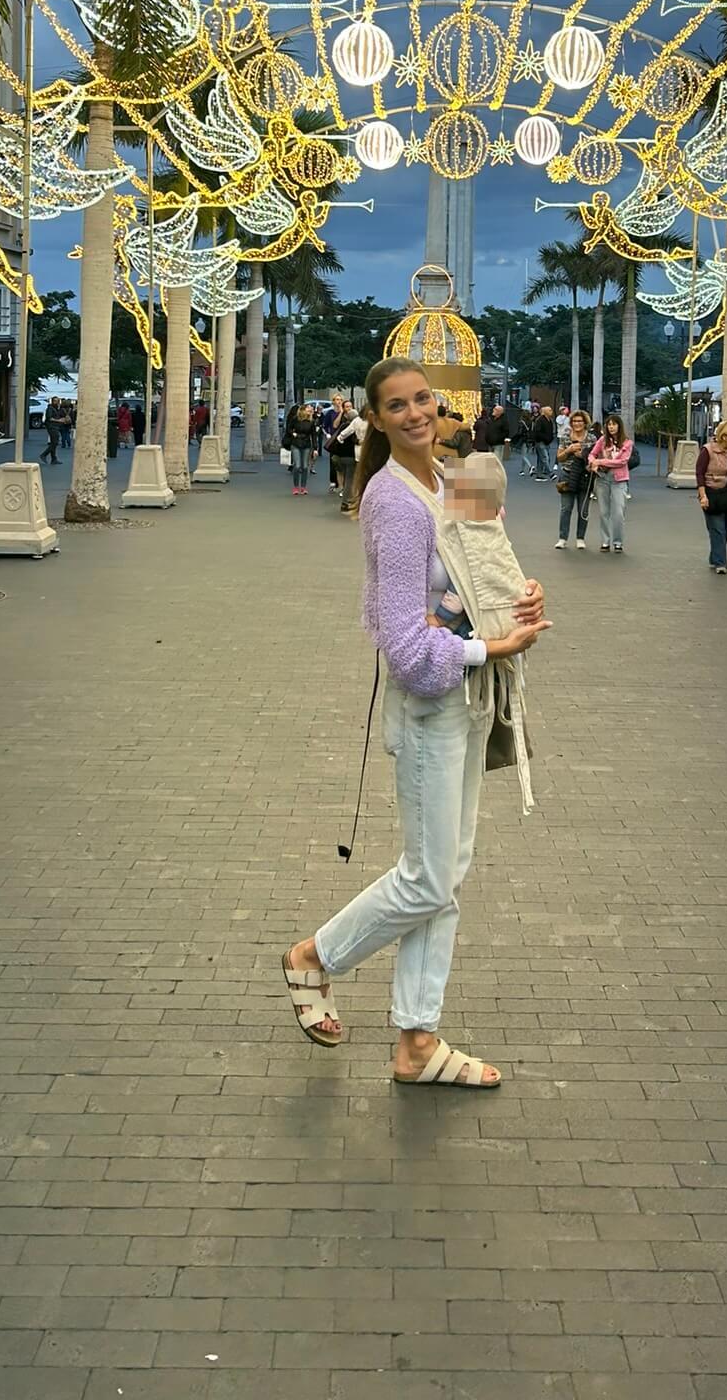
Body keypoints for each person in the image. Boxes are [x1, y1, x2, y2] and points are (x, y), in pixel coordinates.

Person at [282, 356, 549, 1088]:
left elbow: (490, 573)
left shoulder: (456, 477)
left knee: (446, 873)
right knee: (429, 878)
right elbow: (404, 645)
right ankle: (315, 958)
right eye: (395, 405)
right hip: (432, 706)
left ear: (441, 403)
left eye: (422, 398)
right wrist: (493, 644)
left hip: (465, 702)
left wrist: (521, 598)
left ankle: (418, 1041)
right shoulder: (392, 502)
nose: (414, 413)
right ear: (375, 418)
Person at [695, 420, 727, 574]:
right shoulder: (707, 451)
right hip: (711, 493)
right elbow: (700, 473)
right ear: (724, 436)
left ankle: (715, 556)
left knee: (726, 529)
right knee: (718, 529)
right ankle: (721, 563)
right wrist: (702, 496)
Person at [588, 412, 634, 554]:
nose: (611, 427)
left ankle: (618, 542)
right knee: (603, 512)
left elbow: (621, 461)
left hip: (619, 481)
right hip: (602, 479)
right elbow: (592, 454)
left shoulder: (627, 443)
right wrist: (592, 462)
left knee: (619, 512)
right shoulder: (602, 440)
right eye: (609, 424)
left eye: (614, 424)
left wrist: (600, 461)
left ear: (619, 426)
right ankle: (605, 541)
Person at [553, 408, 594, 549]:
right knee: (566, 509)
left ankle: (580, 538)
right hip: (567, 474)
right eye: (574, 421)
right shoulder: (565, 436)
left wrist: (583, 456)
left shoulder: (591, 438)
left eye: (580, 421)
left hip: (585, 476)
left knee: (583, 510)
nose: (577, 424)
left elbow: (595, 457)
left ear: (585, 423)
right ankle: (562, 538)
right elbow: (559, 457)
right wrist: (569, 450)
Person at [331, 402, 367, 513]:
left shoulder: (357, 421)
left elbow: (342, 435)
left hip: (358, 453)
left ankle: (348, 502)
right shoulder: (375, 422)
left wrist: (341, 440)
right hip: (369, 453)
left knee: (352, 479)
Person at [284, 400, 318, 493]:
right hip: (296, 443)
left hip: (306, 444)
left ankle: (303, 487)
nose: (310, 411)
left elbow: (314, 435)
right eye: (308, 409)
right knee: (297, 466)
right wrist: (293, 434)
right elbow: (289, 428)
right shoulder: (295, 419)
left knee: (305, 466)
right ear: (303, 410)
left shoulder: (311, 421)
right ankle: (295, 487)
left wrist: (315, 448)